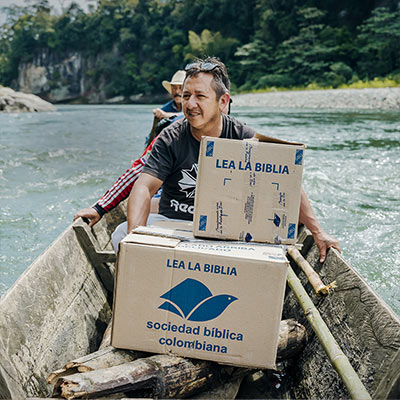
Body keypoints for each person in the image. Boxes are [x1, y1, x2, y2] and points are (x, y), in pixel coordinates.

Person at [116, 57, 340, 263]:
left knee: (276, 254)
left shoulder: (243, 137)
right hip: (175, 224)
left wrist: (318, 232)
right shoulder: (170, 138)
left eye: (200, 96)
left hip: (224, 232)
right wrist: (136, 236)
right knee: (120, 234)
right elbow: (144, 187)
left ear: (223, 102)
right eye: (186, 96)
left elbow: (286, 182)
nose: (190, 104)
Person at [73, 70, 186, 227]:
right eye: (175, 88)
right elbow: (139, 168)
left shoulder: (229, 131)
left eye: (181, 88)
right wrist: (100, 208)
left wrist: (167, 116)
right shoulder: (170, 133)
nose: (177, 92)